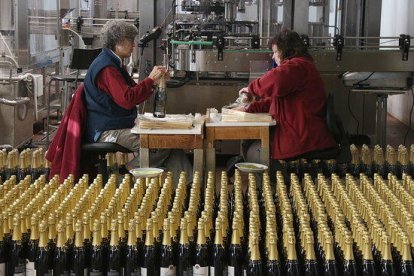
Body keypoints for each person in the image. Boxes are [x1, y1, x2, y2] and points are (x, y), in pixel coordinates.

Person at [83, 20, 192, 182]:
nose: (133, 45)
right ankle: (127, 173)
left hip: (118, 124)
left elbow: (135, 93)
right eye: (130, 40)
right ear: (117, 42)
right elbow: (127, 100)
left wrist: (155, 82)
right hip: (107, 130)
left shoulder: (115, 63)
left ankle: (187, 187)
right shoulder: (107, 68)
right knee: (161, 142)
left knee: (172, 142)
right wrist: (149, 79)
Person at [235, 29, 337, 176]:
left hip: (302, 136)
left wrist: (252, 90)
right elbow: (275, 100)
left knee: (254, 150)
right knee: (250, 143)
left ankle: (277, 187)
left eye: (276, 52)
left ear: (287, 50)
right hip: (299, 131)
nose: (273, 56)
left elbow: (276, 79)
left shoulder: (298, 66)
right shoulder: (300, 67)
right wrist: (250, 108)